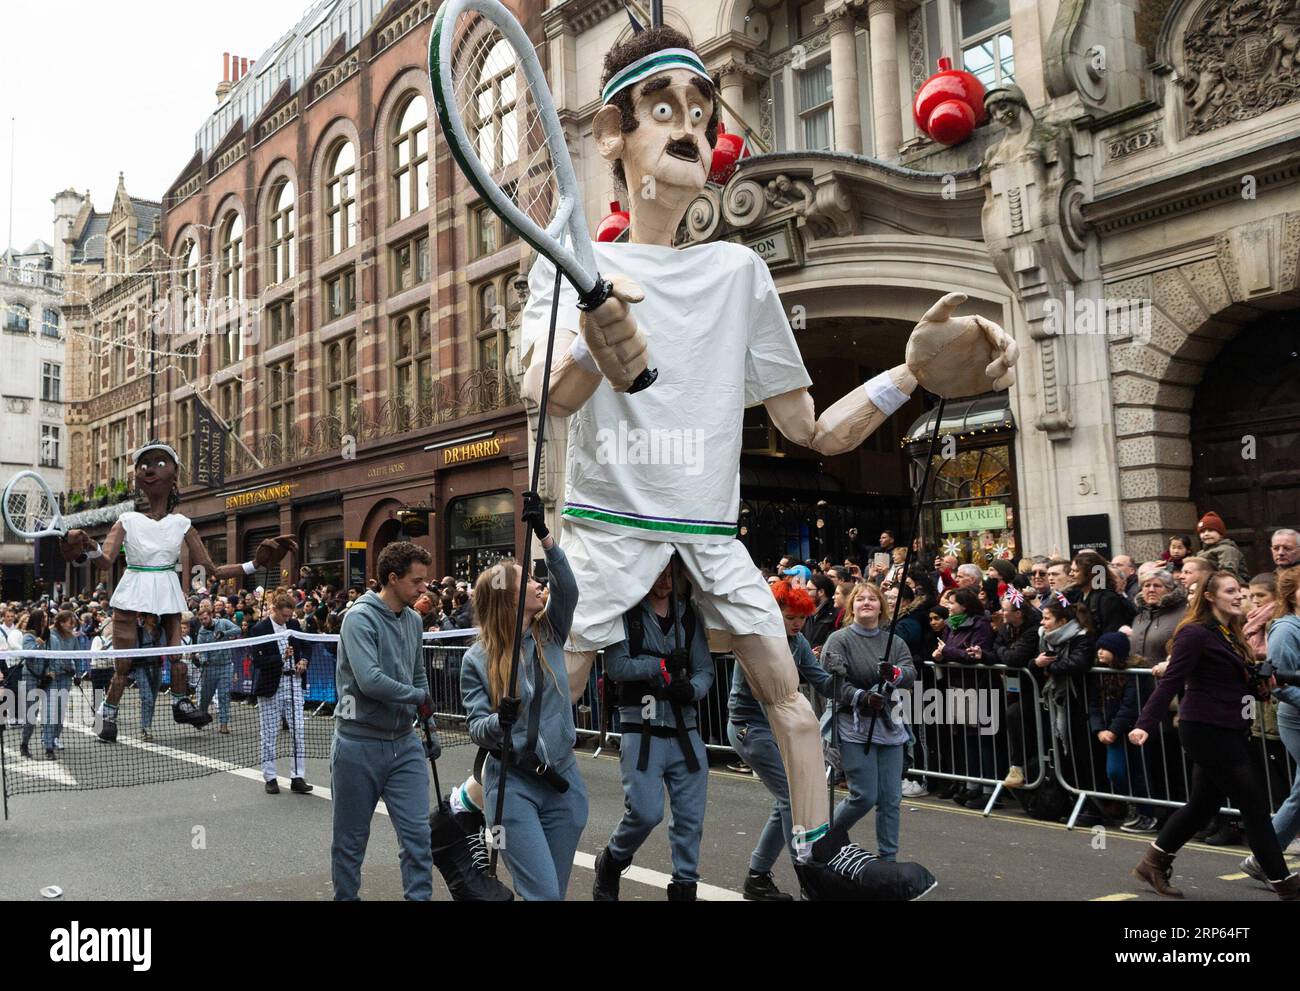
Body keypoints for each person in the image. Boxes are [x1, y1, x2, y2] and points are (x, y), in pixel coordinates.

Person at [518, 22, 1010, 899]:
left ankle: (819, 852)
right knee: (548, 711)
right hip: (605, 529)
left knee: (792, 699)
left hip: (709, 531)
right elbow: (543, 396)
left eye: (702, 116)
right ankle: (474, 821)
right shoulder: (570, 262)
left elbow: (814, 431)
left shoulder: (740, 273)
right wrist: (594, 342)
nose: (687, 131)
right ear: (611, 135)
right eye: (661, 110)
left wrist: (911, 374)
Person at [58, 443, 295, 742]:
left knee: (176, 655)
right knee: (124, 663)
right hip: (133, 586)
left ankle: (181, 702)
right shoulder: (127, 520)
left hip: (167, 587)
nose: (149, 469)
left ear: (174, 474)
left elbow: (214, 569)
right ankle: (107, 713)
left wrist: (255, 564)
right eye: (143, 465)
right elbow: (105, 560)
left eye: (158, 463)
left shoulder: (182, 524)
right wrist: (87, 547)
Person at [1128, 571, 1297, 899]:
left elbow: (1238, 683)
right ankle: (1284, 883)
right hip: (1206, 730)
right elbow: (1173, 681)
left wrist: (1260, 685)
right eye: (1230, 591)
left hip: (1230, 728)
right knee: (1255, 806)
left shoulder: (1230, 632)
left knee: (1203, 805)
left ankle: (1153, 862)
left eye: (1240, 591)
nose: (1239, 596)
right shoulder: (1194, 633)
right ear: (1209, 596)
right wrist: (1144, 723)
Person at [462, 495, 585, 901]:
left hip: (563, 779)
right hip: (512, 785)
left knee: (554, 893)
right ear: (510, 598)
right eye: (529, 581)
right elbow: (478, 728)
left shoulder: (549, 633)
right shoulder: (476, 659)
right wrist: (501, 719)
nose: (539, 584)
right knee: (543, 895)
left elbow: (568, 586)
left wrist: (545, 536)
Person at [593, 558, 714, 901]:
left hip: (684, 730)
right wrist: (659, 665)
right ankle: (612, 860)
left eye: (671, 575)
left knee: (690, 819)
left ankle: (684, 886)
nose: (664, 582)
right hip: (641, 728)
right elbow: (615, 665)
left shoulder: (689, 616)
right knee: (646, 812)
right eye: (658, 573)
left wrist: (692, 689)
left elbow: (705, 669)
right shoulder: (628, 615)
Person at [331, 541, 438, 901]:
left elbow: (418, 674)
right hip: (357, 743)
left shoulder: (413, 620)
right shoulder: (359, 618)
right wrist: (417, 697)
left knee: (419, 838)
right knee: (350, 841)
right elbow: (370, 680)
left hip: (404, 742)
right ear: (392, 579)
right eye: (417, 580)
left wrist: (429, 726)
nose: (424, 588)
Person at [728, 581, 832, 900]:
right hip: (752, 728)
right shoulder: (757, 641)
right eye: (791, 617)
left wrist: (860, 690)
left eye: (802, 617)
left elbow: (822, 681)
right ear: (775, 613)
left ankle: (758, 876)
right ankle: (805, 877)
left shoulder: (798, 641)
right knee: (791, 796)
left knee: (784, 800)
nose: (798, 624)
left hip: (777, 728)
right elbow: (768, 696)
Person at [821, 581, 917, 862]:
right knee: (864, 795)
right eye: (860, 598)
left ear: (881, 607)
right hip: (853, 725)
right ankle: (825, 842)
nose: (866, 602)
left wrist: (894, 674)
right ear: (851, 606)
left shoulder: (894, 642)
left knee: (890, 799)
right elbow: (831, 682)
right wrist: (861, 697)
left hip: (889, 725)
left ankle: (888, 860)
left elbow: (910, 673)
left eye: (872, 599)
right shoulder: (838, 639)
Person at [1243, 564, 1300, 877]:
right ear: (1292, 595)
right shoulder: (1286, 629)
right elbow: (1277, 683)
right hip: (1296, 719)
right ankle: (1265, 857)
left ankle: (1264, 857)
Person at [1089, 632, 1156, 832]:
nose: (1100, 652)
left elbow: (1130, 705)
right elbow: (1093, 704)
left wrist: (1113, 730)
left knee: (1140, 772)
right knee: (1115, 771)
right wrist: (1100, 729)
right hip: (1112, 732)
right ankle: (1132, 805)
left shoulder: (1134, 673)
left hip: (1133, 730)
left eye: (1105, 648)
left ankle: (1147, 814)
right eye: (1099, 648)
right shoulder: (1098, 672)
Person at [250, 590, 312, 795]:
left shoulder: (293, 625)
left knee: (298, 730)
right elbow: (257, 661)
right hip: (271, 685)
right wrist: (282, 658)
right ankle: (270, 777)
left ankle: (298, 776)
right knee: (269, 732)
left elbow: (306, 645)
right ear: (274, 610)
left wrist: (303, 660)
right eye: (284, 615)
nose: (287, 619)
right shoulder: (260, 629)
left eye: (290, 615)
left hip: (293, 682)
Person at [194, 600, 241, 734]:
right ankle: (200, 719)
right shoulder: (202, 633)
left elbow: (237, 630)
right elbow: (202, 650)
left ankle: (223, 724)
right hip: (210, 668)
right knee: (205, 697)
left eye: (205, 618)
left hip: (226, 666)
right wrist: (203, 660)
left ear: (211, 615)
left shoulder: (223, 623)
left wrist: (224, 634)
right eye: (201, 620)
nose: (203, 622)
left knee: (224, 695)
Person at [1071, 550, 1136, 635]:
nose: (1071, 574)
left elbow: (1111, 634)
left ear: (1091, 574)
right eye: (1071, 570)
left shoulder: (1108, 599)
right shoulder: (1078, 596)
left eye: (1076, 571)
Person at [18, 610, 49, 758]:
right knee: (31, 713)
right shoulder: (28, 636)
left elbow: (51, 656)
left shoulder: (47, 635)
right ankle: (24, 743)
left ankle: (50, 744)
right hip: (30, 677)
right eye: (43, 618)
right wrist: (39, 643)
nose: (45, 620)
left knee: (51, 711)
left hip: (45, 677)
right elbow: (29, 654)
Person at [1195, 512, 1249, 581]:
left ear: (1220, 534)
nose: (1206, 534)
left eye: (1210, 530)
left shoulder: (1228, 550)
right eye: (1202, 532)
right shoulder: (1200, 553)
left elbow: (1227, 573)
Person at [802, 574, 838, 655]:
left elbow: (833, 643)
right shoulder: (806, 612)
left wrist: (821, 650)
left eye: (809, 590)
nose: (805, 593)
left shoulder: (836, 613)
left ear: (821, 592)